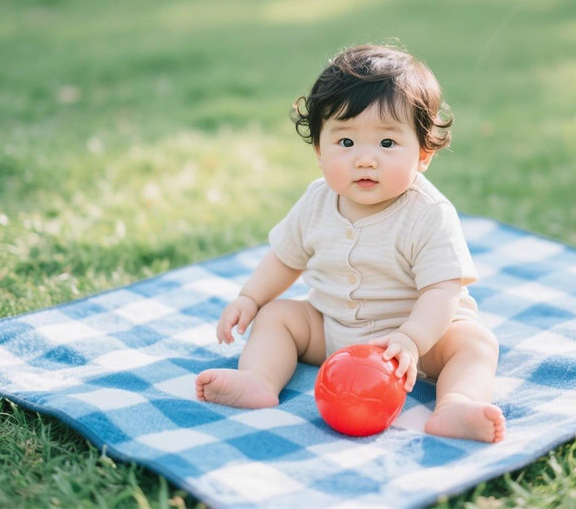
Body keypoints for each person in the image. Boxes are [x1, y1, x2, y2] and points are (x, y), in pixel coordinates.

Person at [195, 44, 505, 443]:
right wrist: (249, 298)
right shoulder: (316, 200)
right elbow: (285, 259)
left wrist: (411, 339)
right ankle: (258, 379)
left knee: (475, 342)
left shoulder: (428, 213)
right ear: (319, 150)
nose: (365, 160)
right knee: (276, 316)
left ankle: (457, 404)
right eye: (346, 143)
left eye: (387, 144)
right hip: (330, 327)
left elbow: (443, 289)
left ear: (424, 153)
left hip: (416, 344)